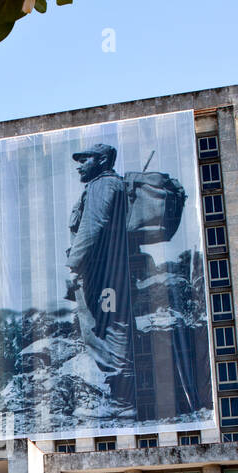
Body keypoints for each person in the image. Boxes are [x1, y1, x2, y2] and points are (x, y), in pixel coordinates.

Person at [65, 143, 135, 415]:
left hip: (102, 274)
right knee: (108, 328)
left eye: (85, 159)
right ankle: (121, 400)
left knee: (106, 330)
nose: (80, 165)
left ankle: (122, 402)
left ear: (102, 160)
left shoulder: (102, 185)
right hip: (107, 271)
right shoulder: (107, 185)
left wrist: (73, 267)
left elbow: (92, 227)